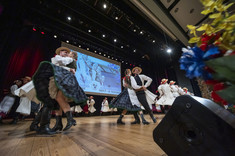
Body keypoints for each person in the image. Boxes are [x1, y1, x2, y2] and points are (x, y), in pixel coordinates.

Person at [33, 47, 87, 134]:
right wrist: (68, 69)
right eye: (65, 52)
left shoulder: (70, 60)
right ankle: (58, 124)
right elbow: (57, 66)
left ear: (72, 55)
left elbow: (64, 67)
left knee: (57, 99)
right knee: (56, 101)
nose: (67, 53)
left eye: (68, 52)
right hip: (59, 79)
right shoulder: (59, 59)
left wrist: (69, 69)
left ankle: (68, 121)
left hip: (65, 80)